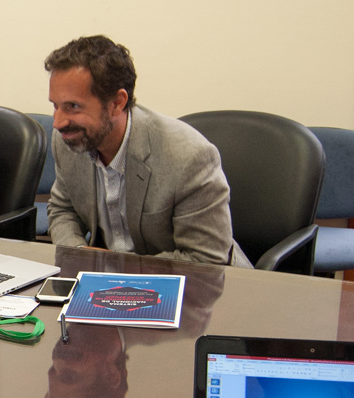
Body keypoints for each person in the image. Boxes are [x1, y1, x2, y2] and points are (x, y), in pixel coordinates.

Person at [44, 35, 251, 267]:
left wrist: (111, 265)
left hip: (201, 288)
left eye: (73, 106)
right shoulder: (68, 140)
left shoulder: (189, 157)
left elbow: (205, 260)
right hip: (106, 284)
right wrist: (80, 253)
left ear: (117, 103)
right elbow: (63, 209)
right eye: (55, 105)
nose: (58, 122)